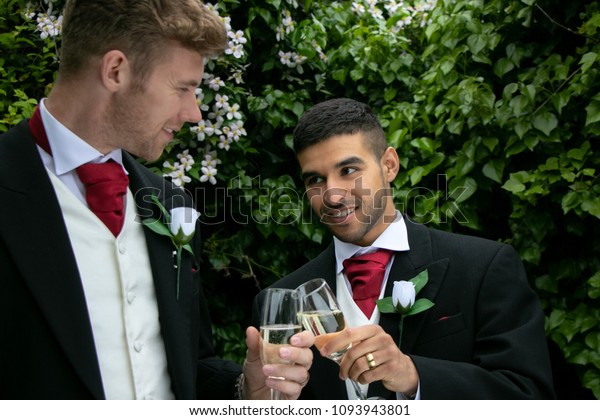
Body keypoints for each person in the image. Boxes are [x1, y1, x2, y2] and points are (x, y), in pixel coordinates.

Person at [0, 0, 313, 400]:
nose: (195, 113)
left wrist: (246, 387)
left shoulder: (173, 203)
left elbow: (189, 366)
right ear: (116, 71)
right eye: (183, 88)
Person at [252, 98, 555, 399]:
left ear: (389, 165)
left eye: (348, 170)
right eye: (316, 179)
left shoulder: (484, 267)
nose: (331, 195)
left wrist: (413, 375)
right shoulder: (282, 298)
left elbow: (530, 397)